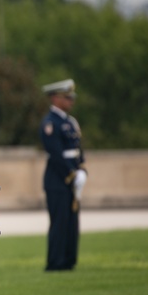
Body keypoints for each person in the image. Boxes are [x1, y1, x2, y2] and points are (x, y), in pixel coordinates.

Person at [40, 78, 86, 272]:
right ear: (56, 98)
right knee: (59, 222)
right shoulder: (50, 123)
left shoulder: (71, 122)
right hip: (58, 179)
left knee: (71, 221)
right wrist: (71, 174)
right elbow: (57, 154)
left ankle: (69, 260)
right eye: (67, 98)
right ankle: (55, 262)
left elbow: (78, 149)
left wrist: (82, 169)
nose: (71, 102)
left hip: (73, 177)